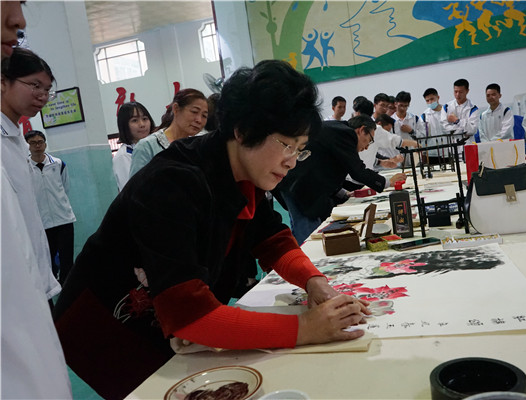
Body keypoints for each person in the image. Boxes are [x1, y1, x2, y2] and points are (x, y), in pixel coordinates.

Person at [53, 60, 369, 400]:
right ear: (243, 130)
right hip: (107, 322)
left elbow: (272, 238)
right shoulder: (173, 182)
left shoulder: (243, 174)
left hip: (168, 313)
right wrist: (305, 328)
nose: (292, 161)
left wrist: (315, 282)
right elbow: (190, 316)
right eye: (286, 145)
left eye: (300, 149)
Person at [1, 24, 72, 400]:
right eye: (34, 86)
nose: (43, 95)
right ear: (3, 83)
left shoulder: (14, 137)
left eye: (48, 88)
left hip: (34, 277)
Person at [276, 115, 406, 243]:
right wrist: (387, 182)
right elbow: (357, 170)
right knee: (308, 235)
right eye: (369, 140)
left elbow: (332, 170)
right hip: (300, 188)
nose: (367, 147)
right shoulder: (345, 134)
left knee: (317, 230)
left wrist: (343, 194)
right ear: (361, 130)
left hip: (304, 186)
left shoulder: (339, 131)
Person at [25, 130, 77, 285]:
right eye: (33, 143)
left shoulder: (58, 164)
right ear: (27, 146)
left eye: (40, 142)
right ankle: (52, 289)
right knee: (48, 260)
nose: (37, 146)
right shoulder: (24, 167)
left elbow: (65, 188)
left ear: (45, 144)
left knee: (67, 259)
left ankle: (67, 289)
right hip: (42, 223)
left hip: (64, 219)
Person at [129, 88, 208, 177]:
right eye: (194, 112)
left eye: (204, 116)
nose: (199, 120)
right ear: (176, 109)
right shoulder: (147, 147)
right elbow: (136, 184)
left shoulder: (200, 146)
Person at [112, 101, 155, 191]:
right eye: (135, 120)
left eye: (145, 119)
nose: (142, 124)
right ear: (124, 125)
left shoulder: (152, 146)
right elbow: (132, 191)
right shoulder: (123, 157)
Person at [416, 88, 450, 165]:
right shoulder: (425, 116)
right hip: (432, 153)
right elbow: (422, 135)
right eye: (427, 101)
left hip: (448, 150)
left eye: (432, 99)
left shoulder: (448, 111)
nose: (430, 102)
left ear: (438, 97)